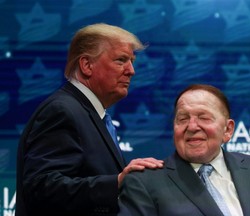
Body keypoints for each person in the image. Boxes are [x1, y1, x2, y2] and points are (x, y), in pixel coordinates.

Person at [16, 23, 163, 216]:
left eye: (132, 61)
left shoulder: (88, 113)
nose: (131, 70)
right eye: (121, 60)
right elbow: (41, 188)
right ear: (87, 65)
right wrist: (117, 182)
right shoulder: (62, 111)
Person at [118, 84, 250, 216]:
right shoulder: (144, 182)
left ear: (228, 130)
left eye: (204, 118)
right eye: (182, 119)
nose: (192, 126)